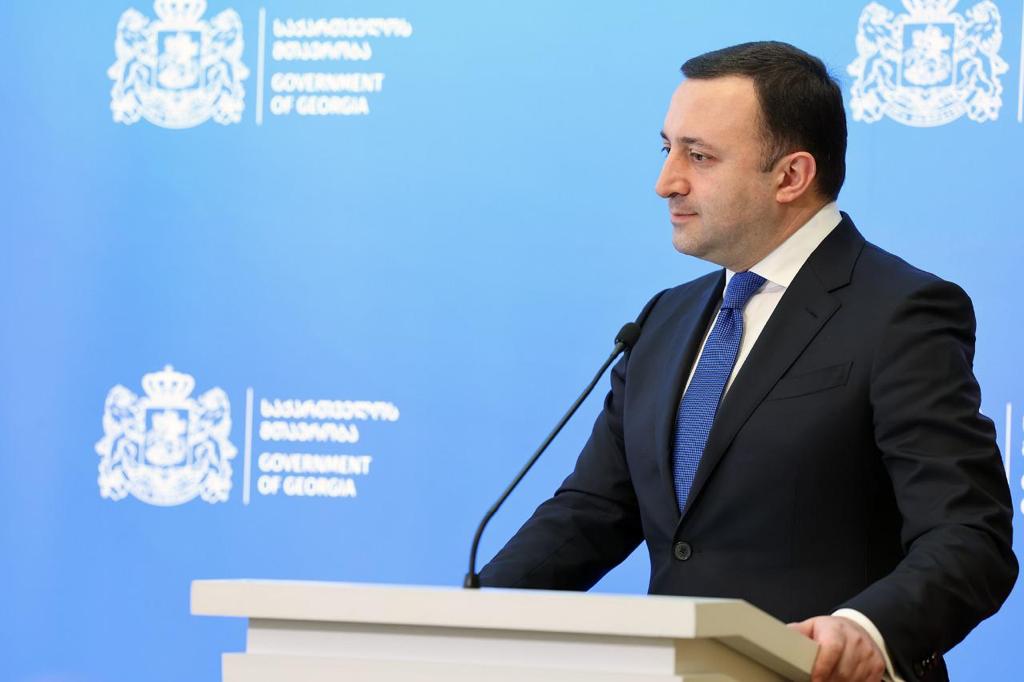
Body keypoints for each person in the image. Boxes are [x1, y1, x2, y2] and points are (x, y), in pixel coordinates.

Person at [478, 42, 1017, 682]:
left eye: (699, 156)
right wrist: (463, 620)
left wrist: (867, 630)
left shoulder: (900, 312)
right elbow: (590, 514)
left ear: (791, 176)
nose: (666, 182)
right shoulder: (663, 319)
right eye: (667, 149)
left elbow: (969, 535)